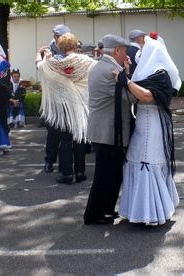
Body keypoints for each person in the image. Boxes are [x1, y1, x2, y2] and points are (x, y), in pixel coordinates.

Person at [118, 34, 181, 226]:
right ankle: (141, 210)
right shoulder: (148, 72)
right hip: (143, 123)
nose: (139, 53)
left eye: (143, 50)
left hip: (153, 124)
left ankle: (151, 213)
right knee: (137, 159)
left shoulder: (161, 73)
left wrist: (126, 81)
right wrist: (128, 74)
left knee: (147, 160)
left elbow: (146, 96)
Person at [83, 34, 138, 225]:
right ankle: (92, 215)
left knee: (113, 173)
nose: (126, 55)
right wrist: (128, 77)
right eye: (125, 51)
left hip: (104, 129)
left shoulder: (100, 66)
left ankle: (106, 209)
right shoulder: (111, 71)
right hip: (108, 130)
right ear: (116, 50)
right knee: (104, 175)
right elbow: (131, 98)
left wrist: (125, 72)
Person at [36, 33, 97, 184]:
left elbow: (41, 67)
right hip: (81, 104)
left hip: (63, 105)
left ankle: (67, 173)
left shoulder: (56, 63)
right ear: (76, 45)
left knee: (65, 140)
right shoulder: (87, 61)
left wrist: (40, 54)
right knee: (79, 138)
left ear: (59, 46)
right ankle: (80, 172)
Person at [42, 24, 72, 173]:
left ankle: (66, 166)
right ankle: (49, 161)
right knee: (53, 132)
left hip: (68, 98)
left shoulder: (71, 48)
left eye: (58, 36)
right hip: (53, 97)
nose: (56, 39)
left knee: (66, 134)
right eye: (55, 36)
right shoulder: (49, 50)